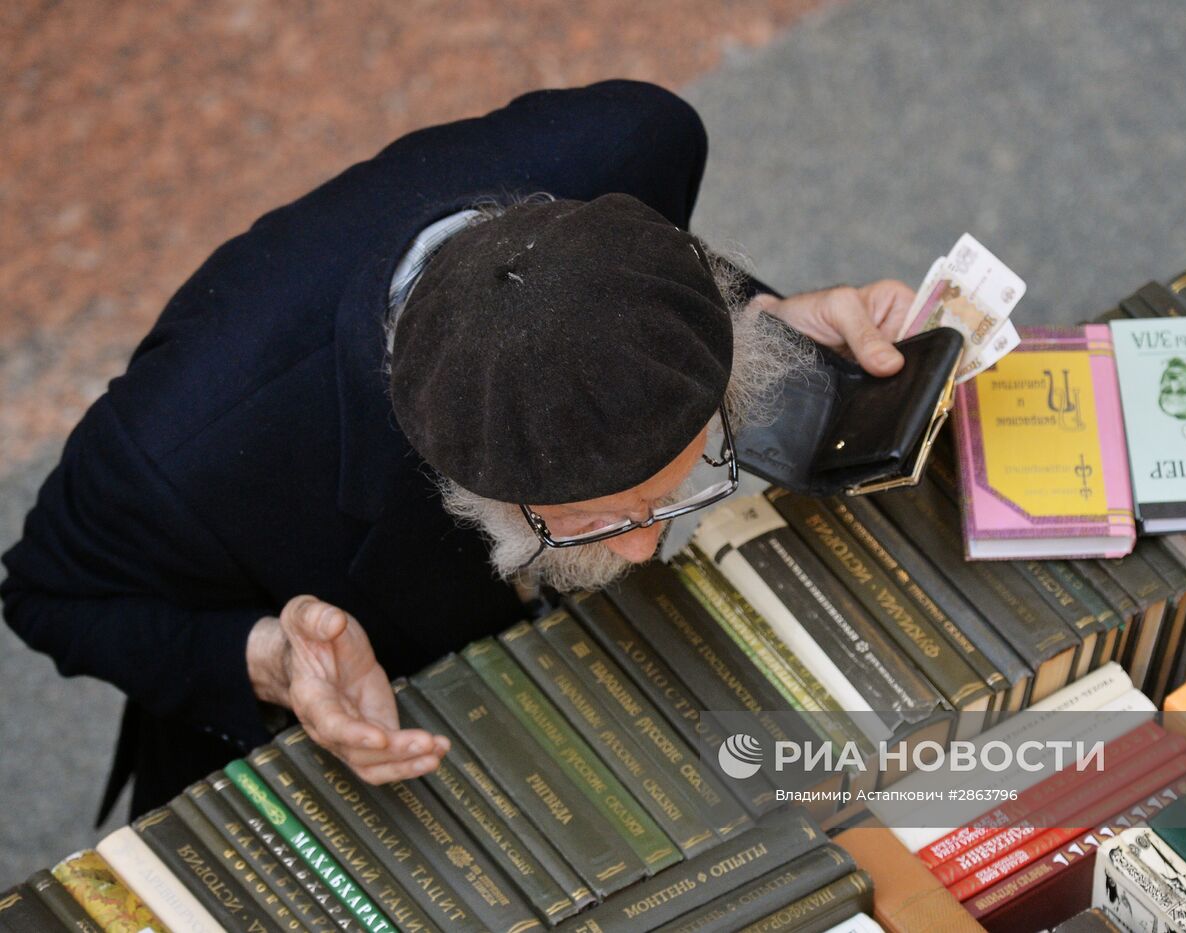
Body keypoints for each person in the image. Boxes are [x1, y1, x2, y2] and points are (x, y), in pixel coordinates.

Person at [1, 80, 914, 823]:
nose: (643, 550)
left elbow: (621, 285)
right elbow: (46, 594)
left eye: (667, 495)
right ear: (455, 478)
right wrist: (272, 658)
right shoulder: (180, 454)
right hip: (341, 727)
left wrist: (752, 331)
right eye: (591, 521)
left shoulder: (635, 141)